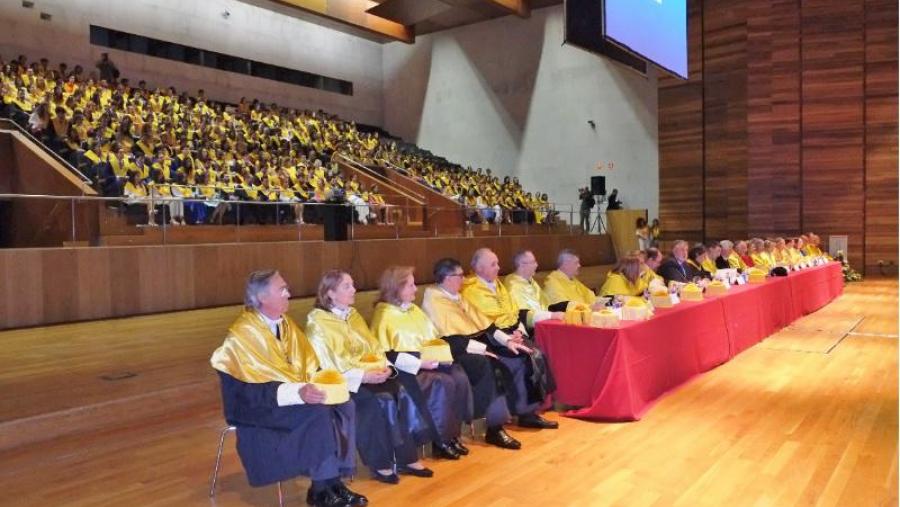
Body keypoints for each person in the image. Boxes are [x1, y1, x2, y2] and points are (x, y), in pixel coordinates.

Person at [209, 270, 366, 507]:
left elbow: (309, 366)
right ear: (262, 298)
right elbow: (246, 393)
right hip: (257, 406)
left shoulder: (286, 326)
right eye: (282, 289)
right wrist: (298, 393)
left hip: (288, 396)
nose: (289, 294)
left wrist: (318, 385)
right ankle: (323, 488)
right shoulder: (242, 335)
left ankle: (332, 482)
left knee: (344, 404)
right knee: (317, 412)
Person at [305, 270, 431, 484]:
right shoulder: (317, 323)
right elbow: (324, 364)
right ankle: (380, 463)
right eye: (347, 286)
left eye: (353, 284)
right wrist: (362, 377)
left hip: (372, 374)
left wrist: (388, 368)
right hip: (344, 382)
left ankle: (406, 457)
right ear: (330, 293)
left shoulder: (353, 316)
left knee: (401, 389)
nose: (354, 290)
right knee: (373, 403)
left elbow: (374, 347)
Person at [369, 266, 473, 461]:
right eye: (410, 285)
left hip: (428, 360)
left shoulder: (413, 309)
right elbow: (388, 353)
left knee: (458, 376)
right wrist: (420, 363)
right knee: (442, 383)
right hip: (406, 367)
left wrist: (440, 355)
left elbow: (432, 337)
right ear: (395, 288)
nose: (415, 289)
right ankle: (439, 440)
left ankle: (451, 435)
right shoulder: (384, 314)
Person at [421, 258, 524, 450]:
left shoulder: (457, 296)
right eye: (459, 275)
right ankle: (494, 427)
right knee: (488, 364)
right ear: (446, 278)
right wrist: (485, 349)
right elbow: (451, 337)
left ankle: (503, 420)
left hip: (471, 346)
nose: (463, 279)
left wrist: (507, 340)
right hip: (452, 352)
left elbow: (486, 325)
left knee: (504, 358)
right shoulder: (434, 298)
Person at [460, 248, 558, 430]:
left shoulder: (498, 284)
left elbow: (513, 311)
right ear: (479, 269)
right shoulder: (470, 290)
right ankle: (523, 412)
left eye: (497, 263)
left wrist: (519, 331)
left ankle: (531, 410)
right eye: (493, 264)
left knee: (537, 353)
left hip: (510, 333)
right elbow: (483, 323)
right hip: (489, 338)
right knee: (521, 360)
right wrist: (507, 338)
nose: (499, 267)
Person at [503, 251, 570, 325]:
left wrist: (569, 305)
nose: (536, 265)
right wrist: (552, 315)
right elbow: (523, 316)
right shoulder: (513, 286)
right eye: (533, 262)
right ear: (522, 265)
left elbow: (545, 305)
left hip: (546, 322)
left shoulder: (530, 280)